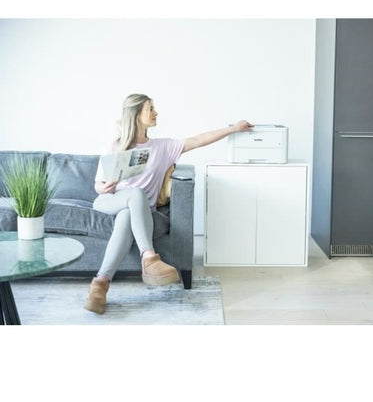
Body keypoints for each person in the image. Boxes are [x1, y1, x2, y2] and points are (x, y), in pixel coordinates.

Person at [84, 93, 253, 314]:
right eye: (150, 109)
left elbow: (198, 140)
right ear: (136, 114)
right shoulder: (115, 147)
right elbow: (98, 185)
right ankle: (149, 257)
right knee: (134, 194)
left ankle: (100, 285)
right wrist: (105, 187)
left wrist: (233, 129)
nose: (156, 113)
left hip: (137, 211)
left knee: (127, 214)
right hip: (109, 201)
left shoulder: (162, 147)